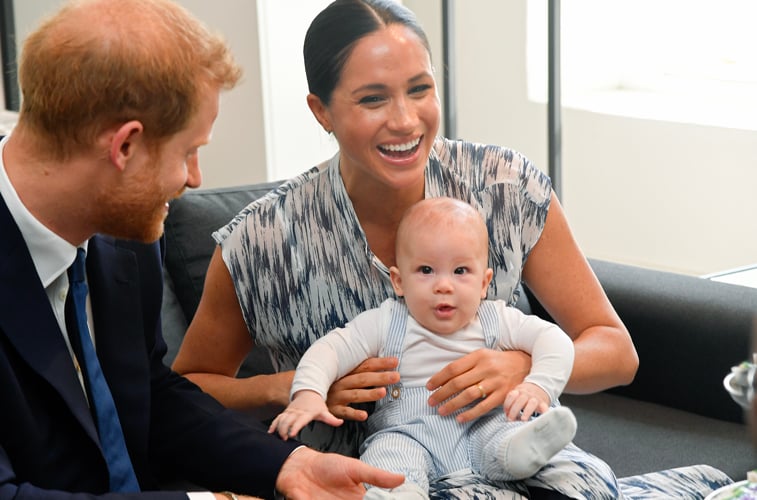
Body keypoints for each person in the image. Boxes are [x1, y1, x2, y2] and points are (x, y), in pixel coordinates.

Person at [173, 0, 639, 497]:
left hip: (509, 463)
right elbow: (185, 391)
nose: (405, 120)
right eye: (373, 99)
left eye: (420, 89)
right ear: (321, 111)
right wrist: (289, 385)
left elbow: (615, 349)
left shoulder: (505, 187)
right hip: (366, 483)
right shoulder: (260, 241)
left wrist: (522, 368)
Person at [0, 0, 405, 498]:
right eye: (190, 152)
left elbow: (154, 396)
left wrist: (287, 465)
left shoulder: (124, 240)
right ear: (125, 146)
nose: (194, 179)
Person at [269, 197, 580, 499]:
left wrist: (538, 386)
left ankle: (520, 453)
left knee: (505, 432)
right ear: (399, 280)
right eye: (426, 270)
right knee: (389, 455)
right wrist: (308, 394)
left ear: (484, 283)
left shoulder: (496, 319)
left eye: (460, 271)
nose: (443, 285)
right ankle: (397, 492)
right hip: (409, 433)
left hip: (482, 425)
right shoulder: (386, 321)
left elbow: (554, 340)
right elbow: (330, 350)